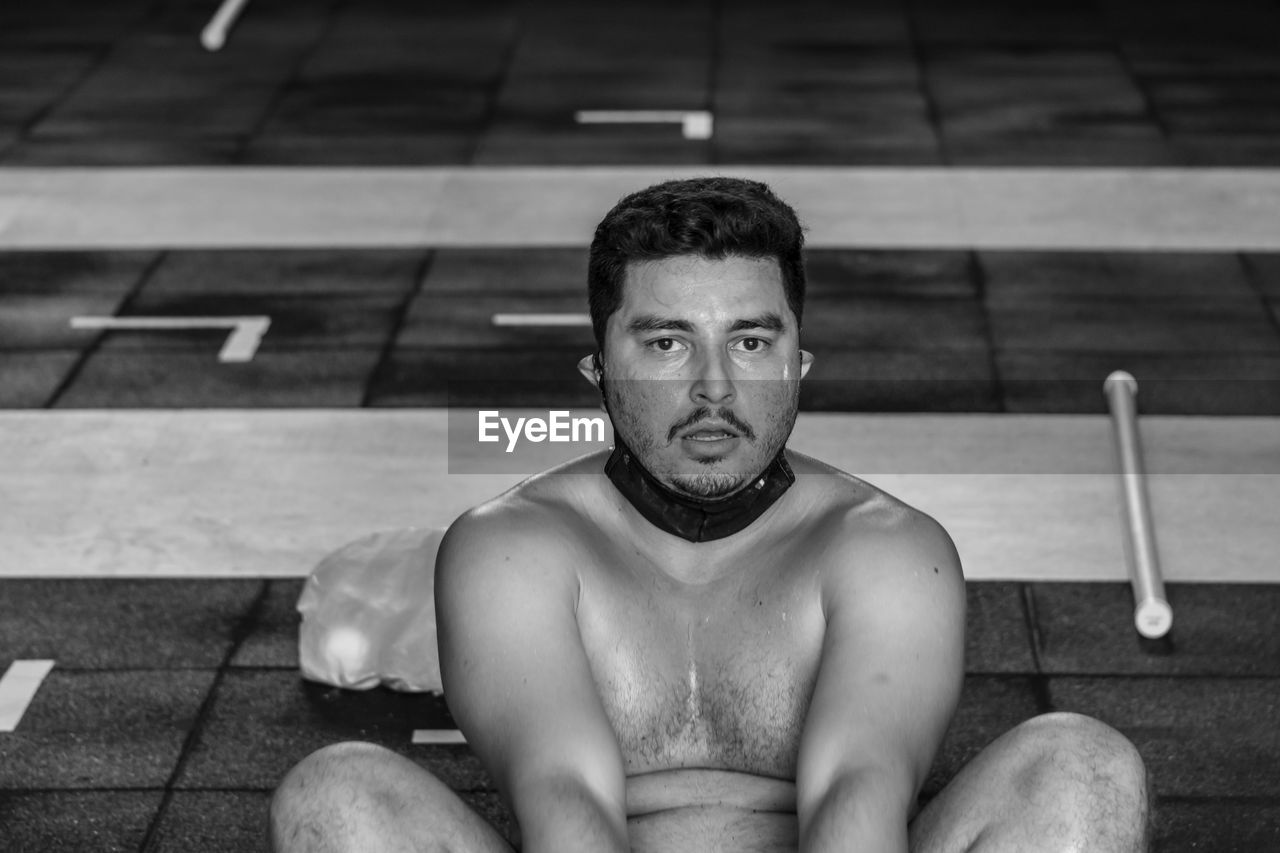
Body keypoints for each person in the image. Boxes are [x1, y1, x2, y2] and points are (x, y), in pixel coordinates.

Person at [270, 177, 1152, 852]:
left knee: (1083, 765)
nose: (714, 388)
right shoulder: (510, 546)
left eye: (752, 340)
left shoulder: (890, 549)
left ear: (799, 361)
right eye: (665, 342)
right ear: (599, 371)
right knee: (336, 793)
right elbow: (562, 797)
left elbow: (861, 792)